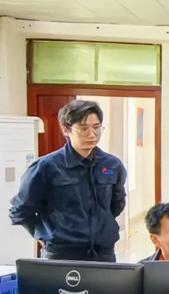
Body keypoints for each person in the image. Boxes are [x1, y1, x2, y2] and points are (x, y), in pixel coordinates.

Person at [9, 100, 127, 262]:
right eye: (84, 129)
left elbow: (116, 204)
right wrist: (46, 236)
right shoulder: (46, 167)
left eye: (96, 127)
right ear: (66, 130)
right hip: (61, 254)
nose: (92, 134)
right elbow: (20, 210)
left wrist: (101, 224)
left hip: (103, 254)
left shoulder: (112, 165)